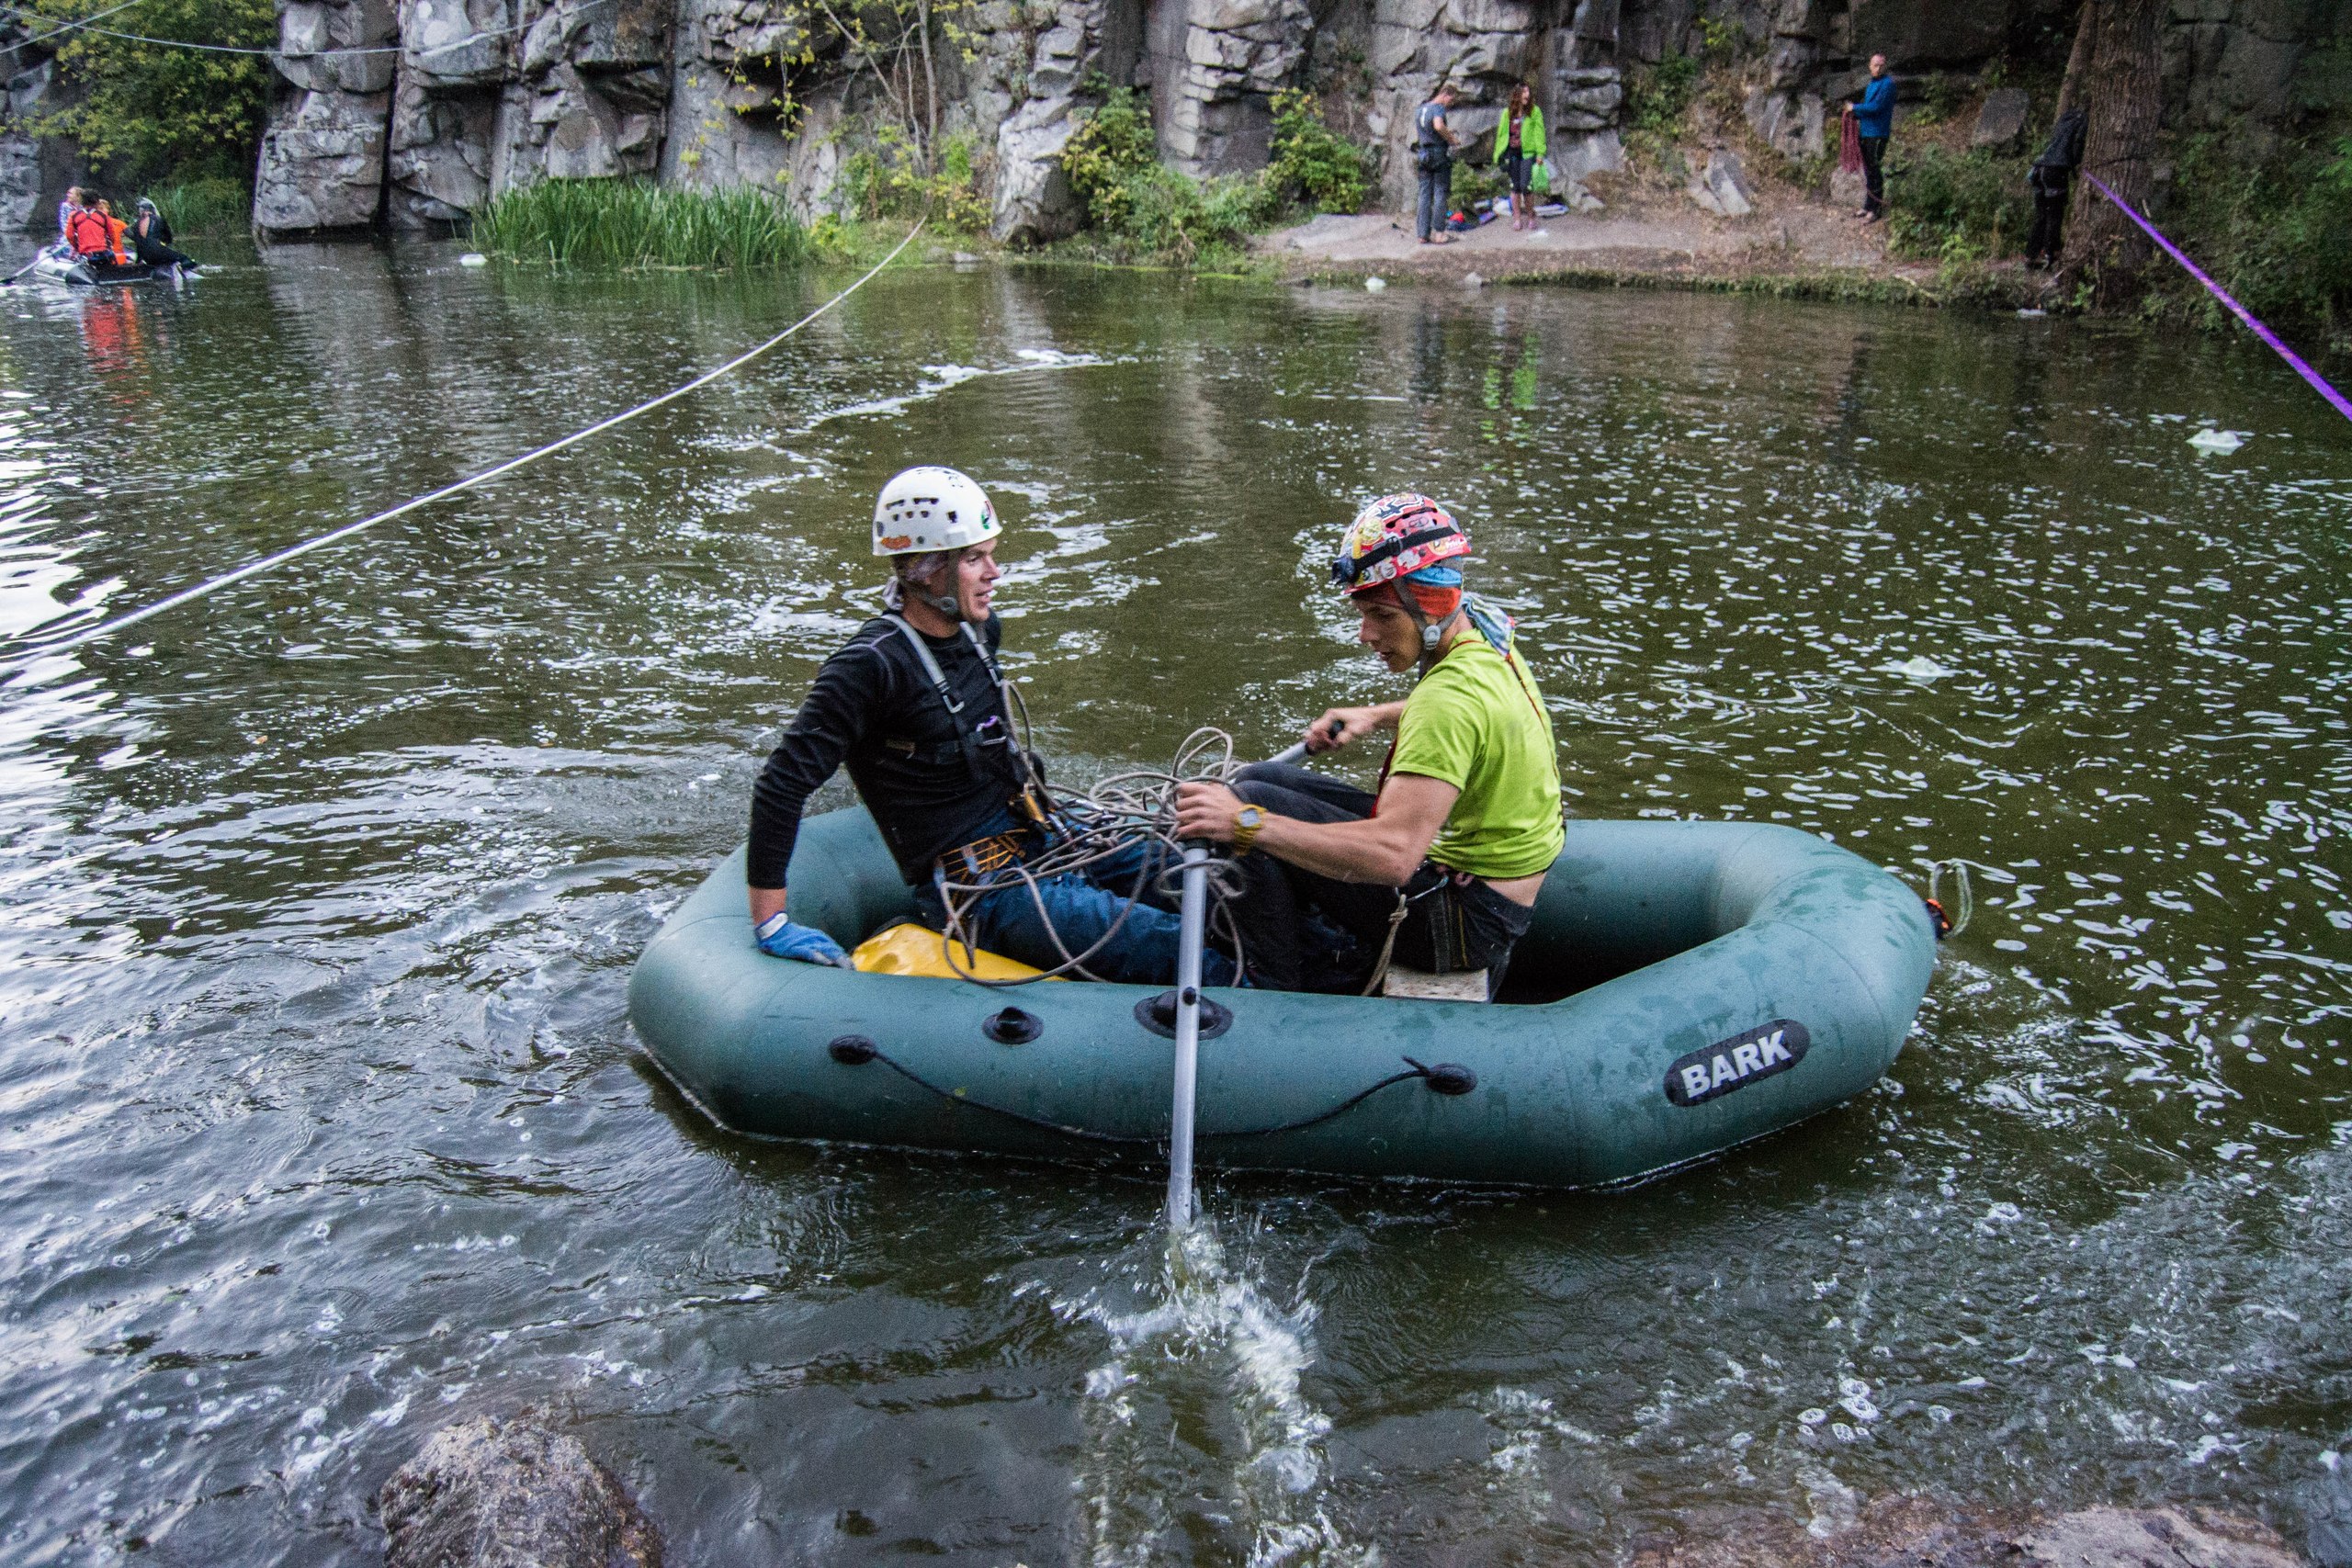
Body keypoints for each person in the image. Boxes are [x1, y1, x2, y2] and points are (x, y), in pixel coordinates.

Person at [746, 467, 1231, 985]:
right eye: (975, 558)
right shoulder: (868, 668)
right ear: (924, 568)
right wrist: (772, 921)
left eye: (991, 554)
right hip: (982, 890)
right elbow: (782, 785)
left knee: (1216, 875)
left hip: (1051, 834)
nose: (994, 572)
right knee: (1180, 950)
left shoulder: (978, 630)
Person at [1173, 494, 1563, 996]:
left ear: (1433, 605)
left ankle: (1273, 991)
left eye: (1381, 615)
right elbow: (1479, 715)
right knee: (1258, 780)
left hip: (1462, 927)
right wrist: (1376, 715)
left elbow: (1395, 858)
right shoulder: (1486, 633)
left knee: (1251, 807)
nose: (1365, 634)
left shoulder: (1444, 702)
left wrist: (1244, 824)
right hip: (1489, 890)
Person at [2024, 107, 2087, 269]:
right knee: (2054, 214)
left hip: (2040, 168)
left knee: (2041, 215)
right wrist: (2075, 166)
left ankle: (2032, 255)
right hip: (2056, 172)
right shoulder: (2084, 120)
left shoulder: (2065, 118)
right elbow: (2077, 145)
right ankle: (2050, 255)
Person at [1842, 54, 1896, 222]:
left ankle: (1876, 209)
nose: (1878, 68)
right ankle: (1868, 206)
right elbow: (1868, 110)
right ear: (1869, 66)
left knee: (1874, 169)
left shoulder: (1888, 85)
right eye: (1875, 65)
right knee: (1868, 170)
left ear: (1885, 66)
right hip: (1866, 133)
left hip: (1878, 134)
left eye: (1881, 65)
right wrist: (1854, 114)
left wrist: (1855, 107)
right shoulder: (1871, 85)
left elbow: (1876, 107)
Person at [1413, 83, 1463, 245]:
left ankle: (1422, 234)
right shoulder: (1438, 108)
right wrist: (1452, 139)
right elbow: (1438, 125)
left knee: (1424, 193)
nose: (1449, 104)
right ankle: (1439, 234)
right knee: (1441, 191)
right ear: (1446, 94)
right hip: (1438, 153)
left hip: (1423, 154)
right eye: (1451, 100)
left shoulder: (1420, 109)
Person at [1494, 83, 1546, 231]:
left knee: (1526, 186)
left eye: (1528, 91)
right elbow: (1502, 134)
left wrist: (1540, 153)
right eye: (1524, 92)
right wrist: (1498, 154)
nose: (1527, 95)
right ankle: (1517, 218)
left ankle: (1531, 216)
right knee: (1515, 186)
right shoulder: (1507, 113)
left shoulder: (1534, 111)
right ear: (1517, 94)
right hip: (1512, 153)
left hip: (1528, 153)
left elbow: (1539, 133)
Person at [130, 197, 197, 271]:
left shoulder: (136, 225)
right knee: (187, 260)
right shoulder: (159, 219)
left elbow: (139, 245)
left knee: (160, 255)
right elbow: (168, 238)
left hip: (146, 257)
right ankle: (180, 268)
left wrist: (137, 262)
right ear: (152, 210)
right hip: (158, 252)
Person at [62, 197, 115, 261]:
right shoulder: (104, 216)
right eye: (100, 209)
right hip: (102, 252)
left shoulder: (75, 215)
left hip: (87, 253)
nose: (101, 211)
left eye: (102, 209)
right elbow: (112, 235)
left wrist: (76, 247)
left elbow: (69, 235)